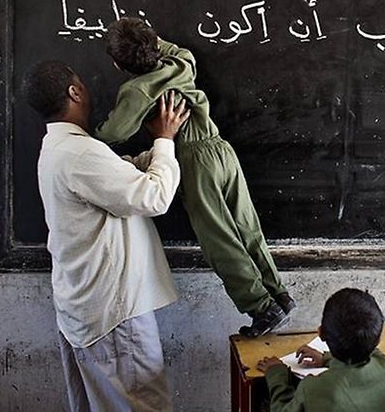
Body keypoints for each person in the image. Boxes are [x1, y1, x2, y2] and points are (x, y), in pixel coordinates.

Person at [94, 18, 294, 338]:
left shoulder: (135, 90)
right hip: (220, 149)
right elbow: (178, 49)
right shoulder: (180, 63)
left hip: (193, 159)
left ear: (118, 64)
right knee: (246, 227)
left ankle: (260, 306)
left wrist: (92, 134)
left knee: (219, 240)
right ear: (155, 43)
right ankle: (278, 294)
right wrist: (153, 39)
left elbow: (115, 132)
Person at [23, 60, 190, 412]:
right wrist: (164, 139)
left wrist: (156, 155)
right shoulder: (81, 152)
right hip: (113, 313)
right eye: (81, 81)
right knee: (142, 405)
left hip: (87, 306)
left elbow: (115, 176)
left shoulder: (59, 149)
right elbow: (153, 197)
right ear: (74, 91)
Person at [257, 288, 385, 412]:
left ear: (321, 333)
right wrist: (325, 358)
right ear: (378, 340)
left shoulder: (314, 388)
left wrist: (277, 374)